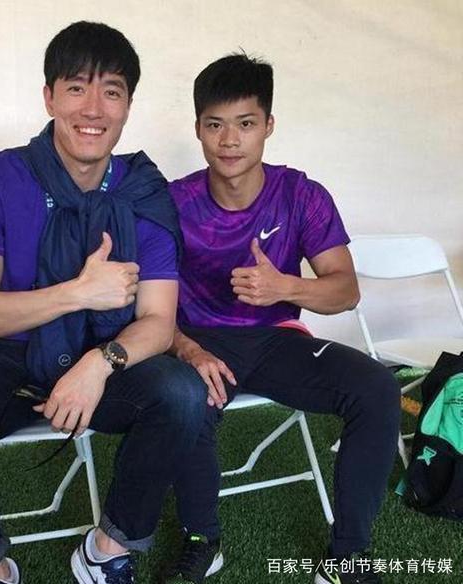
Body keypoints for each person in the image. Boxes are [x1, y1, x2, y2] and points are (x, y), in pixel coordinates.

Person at [0, 21, 206, 584]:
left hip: (100, 354)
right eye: (76, 88)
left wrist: (99, 364)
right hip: (7, 355)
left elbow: (158, 323)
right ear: (49, 97)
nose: (93, 108)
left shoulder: (143, 193)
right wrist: (79, 293)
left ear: (128, 105)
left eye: (111, 91)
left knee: (181, 394)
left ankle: (107, 549)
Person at [165, 54, 401, 584]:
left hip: (276, 340)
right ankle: (202, 539)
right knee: (186, 399)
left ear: (268, 125)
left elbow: (346, 290)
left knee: (377, 388)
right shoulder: (173, 202)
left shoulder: (301, 195)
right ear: (198, 128)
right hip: (198, 341)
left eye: (246, 123)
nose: (230, 140)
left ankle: (347, 558)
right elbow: (147, 300)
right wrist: (185, 348)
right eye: (215, 124)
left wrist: (285, 287)